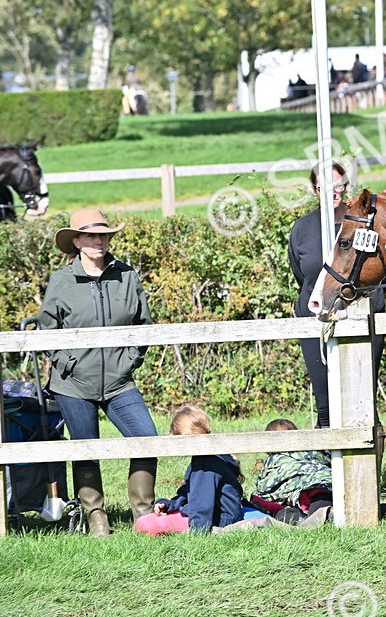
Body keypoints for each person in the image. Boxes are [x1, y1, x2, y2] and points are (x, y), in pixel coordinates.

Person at [39, 209, 158, 536]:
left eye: (103, 235)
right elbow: (46, 331)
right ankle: (96, 518)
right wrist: (68, 365)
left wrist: (130, 360)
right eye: (91, 236)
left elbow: (143, 325)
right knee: (85, 448)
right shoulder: (62, 281)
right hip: (73, 385)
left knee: (147, 440)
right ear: (76, 241)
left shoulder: (126, 275)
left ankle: (144, 517)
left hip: (120, 383)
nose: (99, 241)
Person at [288, 163, 386, 428]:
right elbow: (303, 275)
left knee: (363, 397)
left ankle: (369, 465)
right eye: (324, 187)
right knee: (325, 403)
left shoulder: (363, 224)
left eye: (338, 185)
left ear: (345, 186)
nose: (332, 192)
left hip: (362, 314)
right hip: (316, 318)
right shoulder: (301, 230)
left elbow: (379, 268)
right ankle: (326, 466)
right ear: (314, 190)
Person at [134, 406, 264, 534]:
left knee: (145, 523)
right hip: (212, 514)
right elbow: (188, 492)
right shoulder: (209, 456)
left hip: (218, 519)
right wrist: (169, 505)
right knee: (149, 520)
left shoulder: (205, 464)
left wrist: (198, 531)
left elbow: (202, 503)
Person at [248, 419, 334, 526]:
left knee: (282, 515)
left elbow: (264, 488)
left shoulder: (274, 461)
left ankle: (315, 519)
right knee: (285, 514)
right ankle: (323, 516)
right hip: (326, 488)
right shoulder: (312, 452)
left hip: (313, 490)